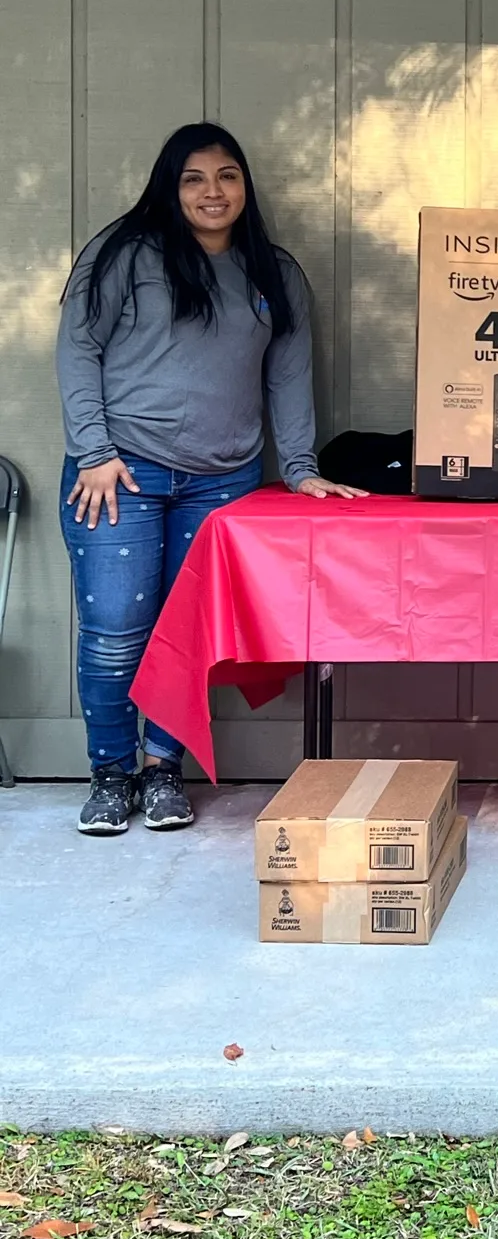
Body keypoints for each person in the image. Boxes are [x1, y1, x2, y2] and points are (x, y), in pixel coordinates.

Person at [56, 123, 363, 838]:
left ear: (244, 185)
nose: (212, 191)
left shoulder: (273, 272)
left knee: (186, 634)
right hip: (118, 473)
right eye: (194, 178)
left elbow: (288, 377)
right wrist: (93, 450)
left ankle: (164, 771)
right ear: (171, 186)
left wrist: (300, 468)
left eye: (227, 175)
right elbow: (76, 351)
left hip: (222, 482)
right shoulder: (122, 254)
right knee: (114, 636)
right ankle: (110, 775)